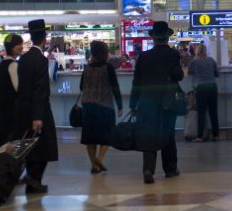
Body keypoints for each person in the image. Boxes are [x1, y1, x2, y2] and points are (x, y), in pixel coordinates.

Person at [129, 21, 184, 184]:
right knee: (168, 134)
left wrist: (133, 103)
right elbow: (178, 76)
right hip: (167, 101)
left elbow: (136, 81)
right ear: (167, 38)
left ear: (153, 38)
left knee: (148, 134)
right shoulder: (173, 54)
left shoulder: (143, 56)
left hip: (146, 102)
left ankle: (148, 169)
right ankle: (170, 169)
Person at [14, 19, 59, 194]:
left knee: (29, 144)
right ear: (44, 38)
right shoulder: (40, 60)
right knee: (45, 144)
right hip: (38, 110)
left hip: (22, 109)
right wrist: (38, 116)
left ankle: (32, 180)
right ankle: (34, 178)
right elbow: (40, 90)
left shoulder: (23, 59)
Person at [80, 40, 123, 174]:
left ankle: (94, 165)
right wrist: (120, 105)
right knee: (108, 136)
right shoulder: (108, 68)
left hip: (88, 106)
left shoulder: (87, 68)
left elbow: (81, 86)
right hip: (105, 106)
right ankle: (99, 159)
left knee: (90, 139)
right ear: (104, 53)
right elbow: (115, 87)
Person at [187, 44, 219, 142]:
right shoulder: (211, 60)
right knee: (213, 112)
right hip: (212, 86)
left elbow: (189, 72)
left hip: (201, 87)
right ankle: (216, 135)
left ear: (197, 51)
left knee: (201, 112)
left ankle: (200, 136)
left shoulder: (194, 61)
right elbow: (216, 73)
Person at [0, 34, 23, 147]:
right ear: (11, 47)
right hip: (12, 110)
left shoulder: (2, 64)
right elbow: (18, 88)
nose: (21, 47)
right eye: (18, 44)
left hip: (3, 109)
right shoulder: (13, 65)